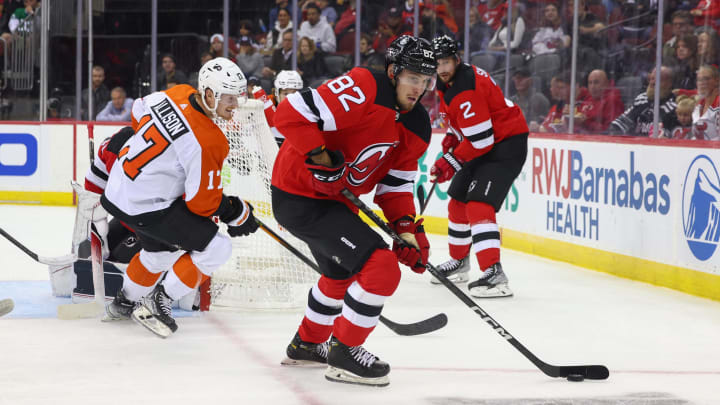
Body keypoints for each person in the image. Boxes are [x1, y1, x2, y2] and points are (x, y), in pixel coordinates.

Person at [272, 35, 436, 386]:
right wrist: (319, 157)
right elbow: (290, 113)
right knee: (381, 267)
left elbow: (394, 186)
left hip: (335, 202)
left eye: (425, 81)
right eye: (412, 78)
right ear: (393, 72)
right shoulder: (363, 86)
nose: (418, 89)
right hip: (299, 194)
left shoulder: (418, 126)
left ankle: (308, 343)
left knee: (340, 275)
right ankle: (345, 351)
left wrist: (407, 230)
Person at [101, 57, 260, 337]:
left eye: (239, 97)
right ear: (209, 94)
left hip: (118, 190)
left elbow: (138, 112)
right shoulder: (210, 140)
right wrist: (235, 210)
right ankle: (158, 301)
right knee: (217, 248)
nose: (236, 105)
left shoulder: (179, 92)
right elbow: (201, 203)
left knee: (160, 253)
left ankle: (123, 303)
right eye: (230, 98)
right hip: (147, 205)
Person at [429, 35, 528, 298]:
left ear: (456, 59)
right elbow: (465, 122)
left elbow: (482, 140)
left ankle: (494, 274)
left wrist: (450, 160)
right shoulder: (446, 81)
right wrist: (453, 135)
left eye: (447, 61)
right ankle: (460, 262)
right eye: (438, 63)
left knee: (478, 205)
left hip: (505, 144)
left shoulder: (465, 87)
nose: (443, 68)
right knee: (457, 202)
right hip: (485, 141)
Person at [609, 66, 679, 137]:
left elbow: (672, 135)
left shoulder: (674, 106)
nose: (652, 83)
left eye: (658, 80)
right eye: (651, 79)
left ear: (669, 84)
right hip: (636, 144)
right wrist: (614, 132)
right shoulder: (642, 99)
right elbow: (622, 122)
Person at [251, 69, 303, 147]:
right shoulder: (265, 105)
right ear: (276, 93)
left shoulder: (305, 109)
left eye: (294, 93)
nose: (290, 98)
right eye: (285, 93)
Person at [575, 69, 624, 134]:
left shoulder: (613, 101)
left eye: (596, 82)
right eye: (590, 83)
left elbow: (611, 131)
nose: (592, 86)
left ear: (606, 83)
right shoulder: (589, 98)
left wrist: (586, 123)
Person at [691, 64, 720, 141]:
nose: (702, 83)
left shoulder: (718, 103)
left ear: (717, 81)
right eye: (699, 79)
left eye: (706, 79)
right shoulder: (698, 104)